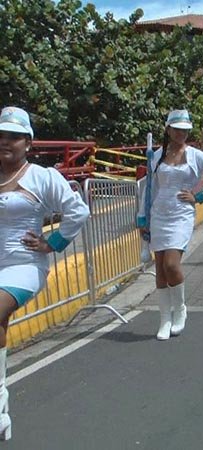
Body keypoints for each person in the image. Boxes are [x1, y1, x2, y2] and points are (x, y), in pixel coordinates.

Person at [0, 107, 90, 440]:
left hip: (24, 265)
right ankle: (1, 412)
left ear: (28, 142)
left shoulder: (41, 177)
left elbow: (77, 211)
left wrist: (52, 242)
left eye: (13, 136)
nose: (5, 142)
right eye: (1, 135)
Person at [137, 109, 203, 341]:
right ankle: (164, 319)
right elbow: (150, 188)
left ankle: (180, 310)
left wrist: (198, 196)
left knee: (171, 264)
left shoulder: (197, 156)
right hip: (158, 214)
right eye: (177, 129)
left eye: (185, 130)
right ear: (168, 130)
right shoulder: (157, 155)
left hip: (181, 215)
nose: (181, 134)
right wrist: (142, 217)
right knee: (160, 269)